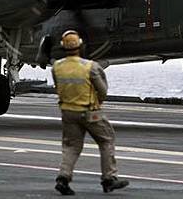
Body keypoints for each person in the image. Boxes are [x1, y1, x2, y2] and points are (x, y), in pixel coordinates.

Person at [52, 30, 129, 195]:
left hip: (67, 112)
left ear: (63, 46)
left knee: (72, 147)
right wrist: (97, 102)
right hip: (90, 112)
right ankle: (109, 179)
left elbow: (58, 88)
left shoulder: (57, 67)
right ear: (80, 45)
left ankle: (63, 178)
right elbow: (103, 91)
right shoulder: (90, 67)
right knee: (106, 140)